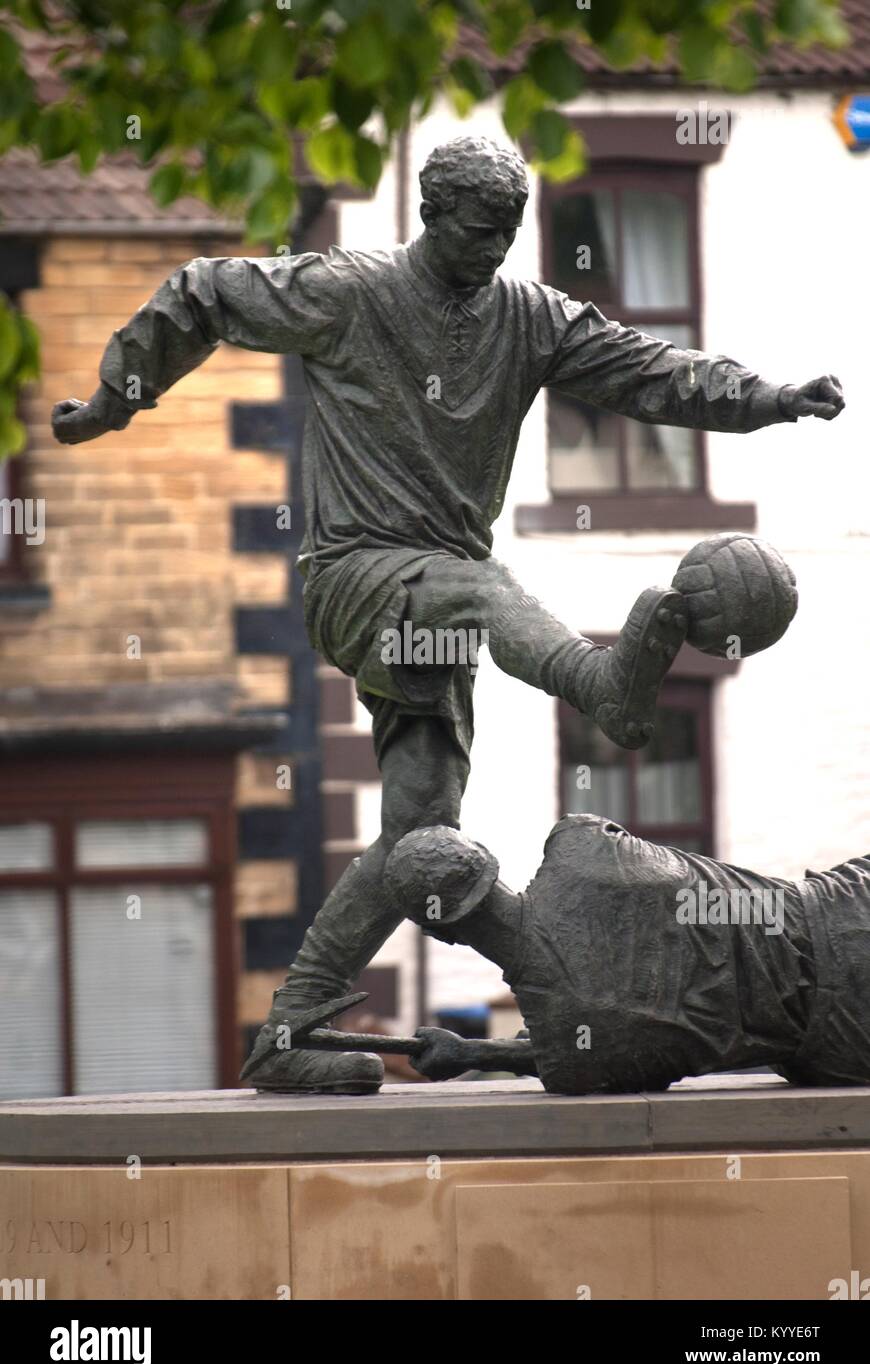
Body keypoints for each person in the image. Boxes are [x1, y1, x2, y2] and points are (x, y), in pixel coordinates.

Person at [51, 136, 845, 1093]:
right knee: (475, 583)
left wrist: (768, 398)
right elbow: (204, 289)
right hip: (357, 584)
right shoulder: (350, 290)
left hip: (443, 622)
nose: (498, 249)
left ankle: (288, 1034)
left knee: (417, 841)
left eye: (512, 230)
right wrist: (114, 395)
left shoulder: (530, 316)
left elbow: (648, 371)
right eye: (480, 230)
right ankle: (603, 687)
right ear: (431, 216)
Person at [386, 816, 870, 1093]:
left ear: (439, 933)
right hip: (844, 903)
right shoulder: (580, 842)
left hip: (843, 1035)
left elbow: (581, 1047)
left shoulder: (567, 1054)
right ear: (490, 865)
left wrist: (476, 1052)